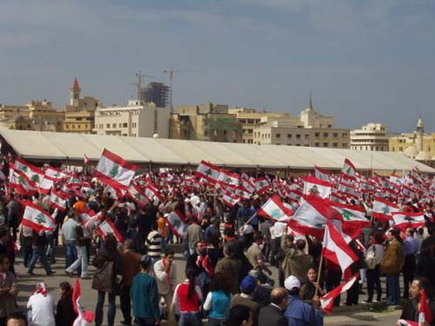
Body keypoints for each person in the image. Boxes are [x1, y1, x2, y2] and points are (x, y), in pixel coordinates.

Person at [92, 234, 123, 326]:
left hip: (101, 278)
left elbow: (95, 263)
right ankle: (110, 323)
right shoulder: (117, 254)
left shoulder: (102, 252)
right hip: (112, 280)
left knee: (100, 301)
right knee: (111, 302)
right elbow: (119, 269)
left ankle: (98, 322)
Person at [130, 255, 161, 326]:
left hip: (137, 312)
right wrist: (157, 317)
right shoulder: (151, 280)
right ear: (150, 266)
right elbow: (153, 300)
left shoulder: (135, 278)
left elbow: (132, 294)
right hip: (148, 313)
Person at [120, 239, 142, 326]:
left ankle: (127, 319)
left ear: (125, 246)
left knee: (125, 302)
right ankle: (137, 318)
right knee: (136, 301)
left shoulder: (122, 256)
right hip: (136, 282)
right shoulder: (139, 256)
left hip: (125, 282)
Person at [381, 228, 405, 306]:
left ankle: (393, 300)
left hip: (392, 268)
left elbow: (392, 258)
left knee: (392, 285)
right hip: (395, 268)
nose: (387, 236)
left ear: (393, 236)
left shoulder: (394, 244)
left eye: (389, 235)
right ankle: (395, 300)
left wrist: (386, 265)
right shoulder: (397, 243)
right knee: (395, 284)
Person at [153, 248, 176, 322]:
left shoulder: (173, 265)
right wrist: (167, 269)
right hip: (157, 288)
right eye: (169, 257)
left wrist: (173, 289)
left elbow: (174, 278)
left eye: (172, 257)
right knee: (154, 308)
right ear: (165, 257)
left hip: (168, 288)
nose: (171, 260)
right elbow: (161, 278)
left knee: (172, 309)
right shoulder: (157, 264)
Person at [363, 233, 384, 303]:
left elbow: (366, 255)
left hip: (371, 266)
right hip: (378, 265)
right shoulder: (381, 247)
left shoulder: (372, 247)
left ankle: (370, 297)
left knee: (370, 283)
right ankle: (379, 296)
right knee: (377, 281)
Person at [0, 255, 18, 326]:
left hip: (10, 310)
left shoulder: (11, 275)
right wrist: (7, 289)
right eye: (6, 263)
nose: (9, 264)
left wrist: (4, 291)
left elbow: (15, 290)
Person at [402, 228, 419, 299]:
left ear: (409, 233)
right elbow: (416, 249)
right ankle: (415, 292)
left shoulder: (406, 241)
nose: (405, 232)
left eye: (406, 231)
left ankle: (406, 293)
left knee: (406, 277)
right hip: (413, 258)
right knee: (412, 276)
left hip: (408, 258)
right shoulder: (415, 241)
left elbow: (405, 252)